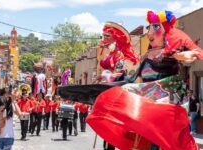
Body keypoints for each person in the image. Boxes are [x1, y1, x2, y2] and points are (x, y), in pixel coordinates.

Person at [59, 10, 203, 150]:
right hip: (148, 99)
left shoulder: (170, 54)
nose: (150, 32)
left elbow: (187, 58)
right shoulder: (146, 56)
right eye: (149, 28)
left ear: (166, 32)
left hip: (166, 98)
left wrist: (184, 56)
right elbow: (132, 78)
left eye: (156, 28)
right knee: (127, 94)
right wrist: (108, 82)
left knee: (160, 131)